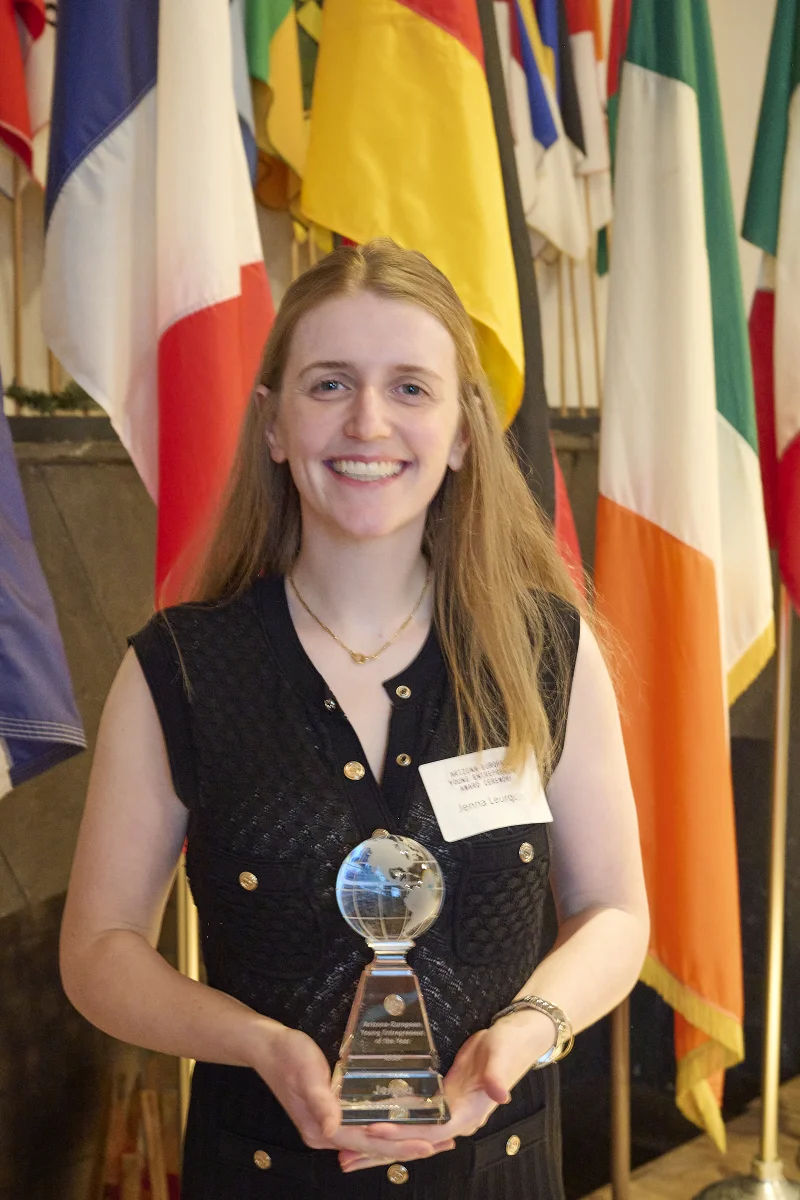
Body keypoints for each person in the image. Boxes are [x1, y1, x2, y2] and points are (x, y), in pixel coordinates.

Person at [60, 239, 649, 1199]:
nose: (368, 421)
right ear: (275, 425)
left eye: (411, 388)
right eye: (329, 383)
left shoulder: (549, 649)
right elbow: (98, 951)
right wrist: (258, 1044)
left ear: (463, 431)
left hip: (500, 1171)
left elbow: (616, 910)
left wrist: (528, 1030)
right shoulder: (180, 667)